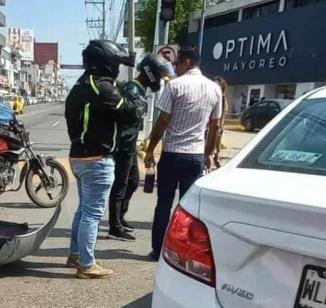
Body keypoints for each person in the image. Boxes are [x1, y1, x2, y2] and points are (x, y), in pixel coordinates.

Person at [65, 40, 141, 279]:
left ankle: (75, 255)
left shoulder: (81, 84)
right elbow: (131, 112)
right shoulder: (103, 87)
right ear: (107, 64)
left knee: (83, 210)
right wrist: (136, 96)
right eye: (116, 63)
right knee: (92, 214)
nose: (117, 68)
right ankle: (86, 265)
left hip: (79, 157)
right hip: (96, 159)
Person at [144, 48, 222, 261]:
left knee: (164, 204)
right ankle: (182, 253)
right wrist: (208, 153)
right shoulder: (214, 89)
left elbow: (162, 121)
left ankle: (157, 249)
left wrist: (150, 149)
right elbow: (215, 127)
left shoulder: (174, 86)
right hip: (195, 156)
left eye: (177, 64)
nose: (175, 68)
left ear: (187, 62)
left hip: (171, 155)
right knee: (188, 209)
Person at [108, 54, 174, 241]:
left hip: (130, 146)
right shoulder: (132, 89)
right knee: (121, 185)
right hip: (122, 146)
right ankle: (114, 226)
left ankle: (120, 217)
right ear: (150, 73)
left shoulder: (139, 90)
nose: (161, 79)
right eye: (159, 75)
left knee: (133, 181)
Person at [213, 76, 228, 168]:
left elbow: (222, 117)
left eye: (217, 85)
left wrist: (219, 129)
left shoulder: (222, 100)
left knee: (213, 150)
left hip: (216, 128)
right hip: (212, 128)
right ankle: (216, 160)